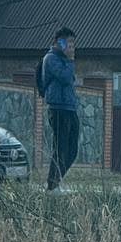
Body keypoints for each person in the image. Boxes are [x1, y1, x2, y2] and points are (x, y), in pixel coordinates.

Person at [41, 28, 79, 191]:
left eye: (73, 43)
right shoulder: (51, 59)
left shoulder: (65, 60)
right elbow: (64, 78)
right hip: (57, 108)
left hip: (70, 107)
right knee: (60, 147)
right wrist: (70, 60)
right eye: (68, 42)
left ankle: (55, 180)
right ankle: (52, 185)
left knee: (72, 149)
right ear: (60, 42)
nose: (72, 47)